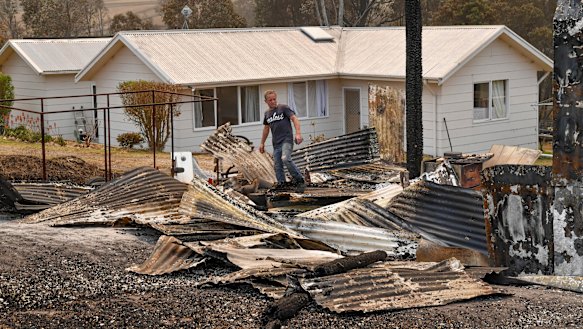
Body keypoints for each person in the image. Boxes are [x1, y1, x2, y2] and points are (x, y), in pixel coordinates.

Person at [259, 90, 305, 192]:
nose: (273, 101)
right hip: (276, 143)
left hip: (287, 140)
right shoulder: (267, 114)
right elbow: (266, 129)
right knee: (277, 165)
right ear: (266, 101)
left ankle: (299, 179)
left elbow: (294, 119)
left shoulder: (283, 108)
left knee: (285, 158)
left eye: (274, 99)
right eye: (270, 100)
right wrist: (262, 143)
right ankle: (282, 184)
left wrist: (298, 133)